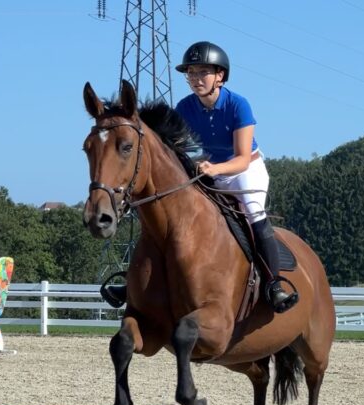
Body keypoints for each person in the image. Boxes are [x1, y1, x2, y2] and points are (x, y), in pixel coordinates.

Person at [103, 40, 298, 313]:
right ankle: (135, 283)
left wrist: (214, 169)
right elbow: (185, 149)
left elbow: (242, 158)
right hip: (206, 171)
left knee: (253, 213)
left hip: (244, 171)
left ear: (220, 76)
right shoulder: (184, 107)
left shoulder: (238, 105)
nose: (195, 79)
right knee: (168, 215)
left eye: (202, 73)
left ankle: (274, 285)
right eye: (191, 74)